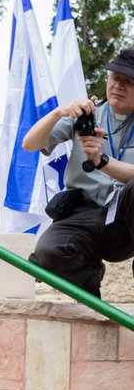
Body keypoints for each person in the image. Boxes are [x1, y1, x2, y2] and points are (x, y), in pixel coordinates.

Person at [23, 48, 134, 297]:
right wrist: (58, 112)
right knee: (47, 253)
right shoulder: (87, 115)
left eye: (128, 81)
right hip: (83, 213)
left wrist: (102, 161)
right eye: (114, 77)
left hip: (126, 219)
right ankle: (91, 292)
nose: (118, 85)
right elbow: (29, 144)